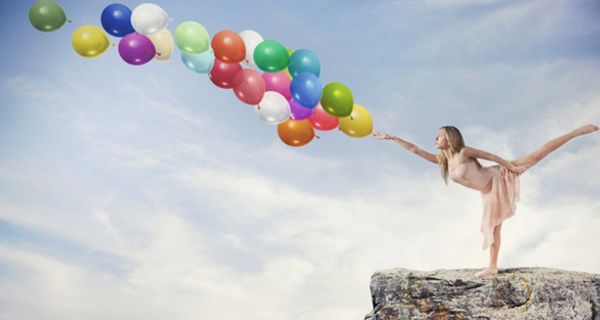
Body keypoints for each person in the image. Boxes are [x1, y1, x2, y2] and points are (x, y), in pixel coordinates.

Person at [373, 124, 599, 277]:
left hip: (498, 175)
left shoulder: (463, 152)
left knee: (537, 155)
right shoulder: (443, 161)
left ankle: (578, 131)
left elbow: (490, 156)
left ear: (450, 137)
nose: (435, 139)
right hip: (489, 191)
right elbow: (414, 149)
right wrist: (392, 138)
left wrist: (509, 166)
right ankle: (492, 266)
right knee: (492, 228)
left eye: (439, 135)